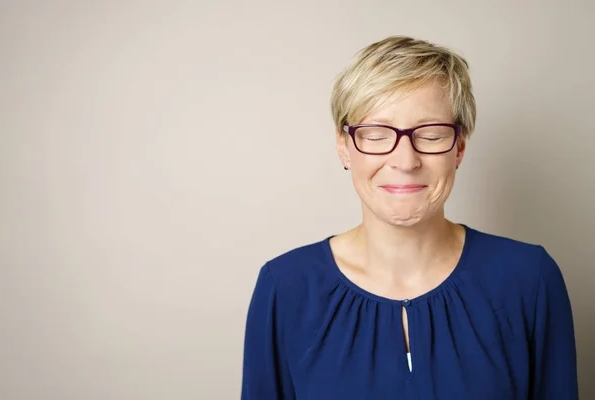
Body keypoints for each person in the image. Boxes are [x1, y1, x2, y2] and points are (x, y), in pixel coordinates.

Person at [240, 35, 578, 399]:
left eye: (431, 134)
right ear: (344, 146)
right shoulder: (285, 287)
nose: (405, 161)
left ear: (459, 147)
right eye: (376, 134)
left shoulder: (530, 279)